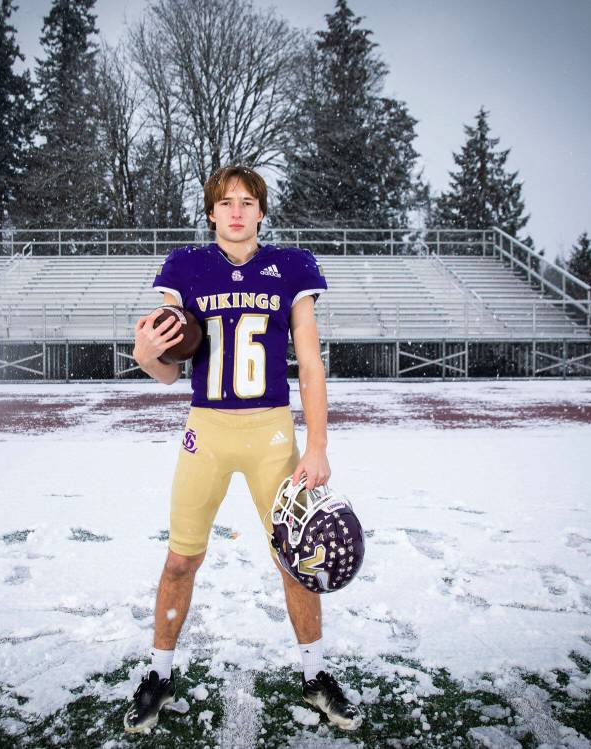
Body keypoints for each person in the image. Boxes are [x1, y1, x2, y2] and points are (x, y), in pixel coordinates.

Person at [123, 165, 362, 734]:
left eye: (247, 202)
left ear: (261, 211)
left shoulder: (291, 267)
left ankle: (315, 675)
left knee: (296, 557)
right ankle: (159, 674)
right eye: (226, 201)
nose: (236, 211)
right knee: (181, 559)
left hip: (271, 432)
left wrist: (318, 444)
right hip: (205, 430)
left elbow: (310, 363)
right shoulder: (185, 267)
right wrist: (145, 356)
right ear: (211, 211)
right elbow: (168, 370)